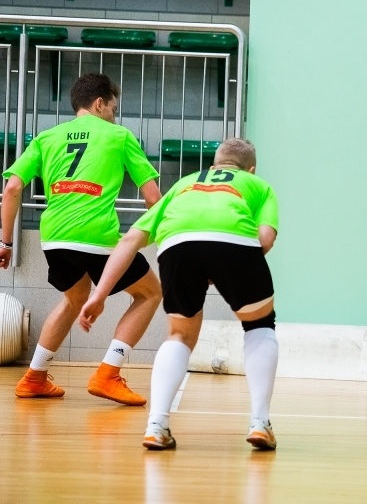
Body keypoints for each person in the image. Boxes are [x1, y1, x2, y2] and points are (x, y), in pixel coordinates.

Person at [79, 138, 280, 451]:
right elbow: (265, 239)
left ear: (213, 165)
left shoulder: (183, 185)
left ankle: (156, 426)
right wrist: (226, 266)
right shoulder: (258, 185)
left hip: (177, 246)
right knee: (259, 325)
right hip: (235, 242)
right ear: (250, 169)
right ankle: (259, 423)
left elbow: (130, 240)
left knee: (179, 335)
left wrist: (99, 294)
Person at [0, 73, 162, 406]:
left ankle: (34, 378)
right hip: (96, 234)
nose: (114, 116)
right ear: (100, 103)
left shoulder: (46, 137)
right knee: (149, 294)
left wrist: (5, 243)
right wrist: (160, 238)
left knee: (74, 298)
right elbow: (153, 198)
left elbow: (13, 187)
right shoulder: (119, 136)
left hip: (54, 236)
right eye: (113, 109)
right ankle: (108, 373)